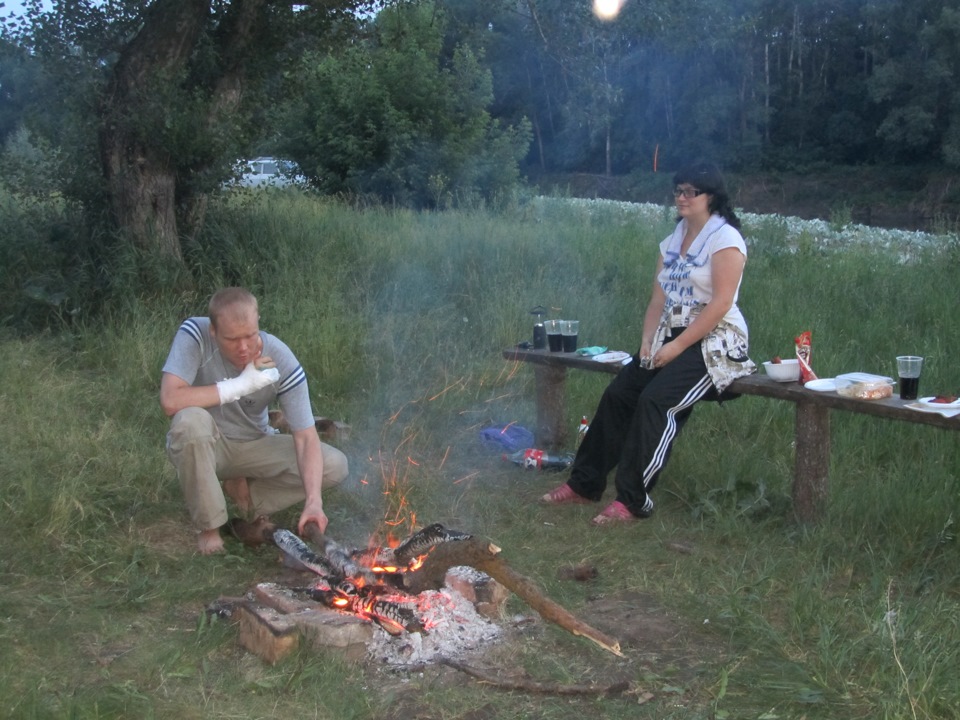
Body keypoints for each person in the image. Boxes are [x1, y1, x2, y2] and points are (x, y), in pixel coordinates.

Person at [541, 163, 755, 524]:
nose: (681, 198)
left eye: (690, 192)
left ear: (711, 197)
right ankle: (584, 484)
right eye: (678, 191)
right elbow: (658, 300)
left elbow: (720, 304)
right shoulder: (674, 238)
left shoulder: (726, 239)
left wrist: (675, 348)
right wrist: (647, 342)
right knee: (619, 394)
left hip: (716, 342)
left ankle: (633, 500)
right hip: (670, 333)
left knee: (658, 401)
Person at [160, 287, 348, 554]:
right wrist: (239, 385)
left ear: (258, 322)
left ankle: (246, 499)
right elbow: (170, 400)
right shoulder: (195, 334)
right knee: (189, 422)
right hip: (209, 446)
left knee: (335, 465)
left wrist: (314, 502)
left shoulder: (280, 358)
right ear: (214, 332)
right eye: (232, 339)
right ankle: (210, 527)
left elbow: (306, 437)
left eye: (250, 335)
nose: (244, 347)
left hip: (255, 444)